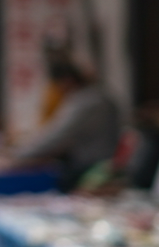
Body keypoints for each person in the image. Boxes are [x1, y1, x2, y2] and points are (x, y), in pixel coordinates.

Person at [11, 58, 121, 189]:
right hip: (97, 163)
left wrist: (17, 155)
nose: (57, 91)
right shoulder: (96, 96)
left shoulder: (87, 102)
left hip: (93, 168)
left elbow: (56, 136)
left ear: (67, 80)